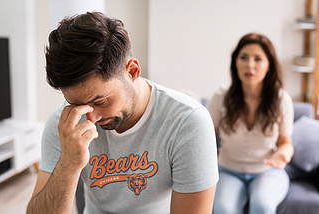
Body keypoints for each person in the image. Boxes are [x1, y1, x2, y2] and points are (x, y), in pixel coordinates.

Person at [26, 12, 218, 214]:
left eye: (100, 101)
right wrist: (68, 164)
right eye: (76, 104)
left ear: (132, 71)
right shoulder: (65, 123)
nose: (91, 119)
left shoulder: (188, 121)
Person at [208, 33, 294, 214]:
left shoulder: (281, 99)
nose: (250, 65)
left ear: (269, 64)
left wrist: (282, 155)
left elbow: (286, 143)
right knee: (224, 209)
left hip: (267, 171)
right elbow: (205, 138)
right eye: (244, 57)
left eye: (258, 59)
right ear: (235, 62)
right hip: (227, 170)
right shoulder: (221, 97)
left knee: (262, 205)